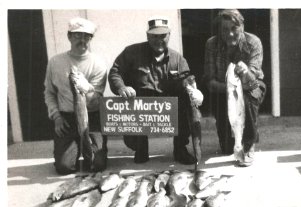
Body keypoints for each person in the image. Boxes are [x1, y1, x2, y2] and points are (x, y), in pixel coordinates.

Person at [108, 16, 203, 164]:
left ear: (169, 35)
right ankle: (140, 148)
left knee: (187, 105)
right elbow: (115, 72)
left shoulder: (178, 59)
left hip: (167, 106)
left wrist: (193, 90)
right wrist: (121, 87)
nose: (159, 40)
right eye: (154, 36)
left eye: (163, 36)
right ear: (147, 36)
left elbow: (187, 80)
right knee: (128, 113)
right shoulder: (132, 52)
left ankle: (180, 149)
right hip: (140, 104)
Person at [44, 17, 108, 175]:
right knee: (64, 167)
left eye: (87, 36)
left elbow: (96, 99)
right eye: (77, 35)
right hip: (66, 117)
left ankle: (89, 148)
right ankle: (70, 150)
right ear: (69, 36)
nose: (82, 39)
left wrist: (88, 89)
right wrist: (57, 116)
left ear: (91, 38)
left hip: (91, 116)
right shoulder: (55, 62)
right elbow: (50, 92)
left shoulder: (98, 63)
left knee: (96, 164)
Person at [203, 9, 266, 167]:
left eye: (234, 28)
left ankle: (249, 144)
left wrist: (245, 73)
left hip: (251, 87)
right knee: (226, 148)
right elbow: (209, 81)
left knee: (247, 97)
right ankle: (235, 139)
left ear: (242, 27)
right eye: (225, 29)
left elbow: (253, 82)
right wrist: (230, 89)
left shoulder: (253, 42)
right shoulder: (212, 44)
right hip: (223, 89)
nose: (230, 33)